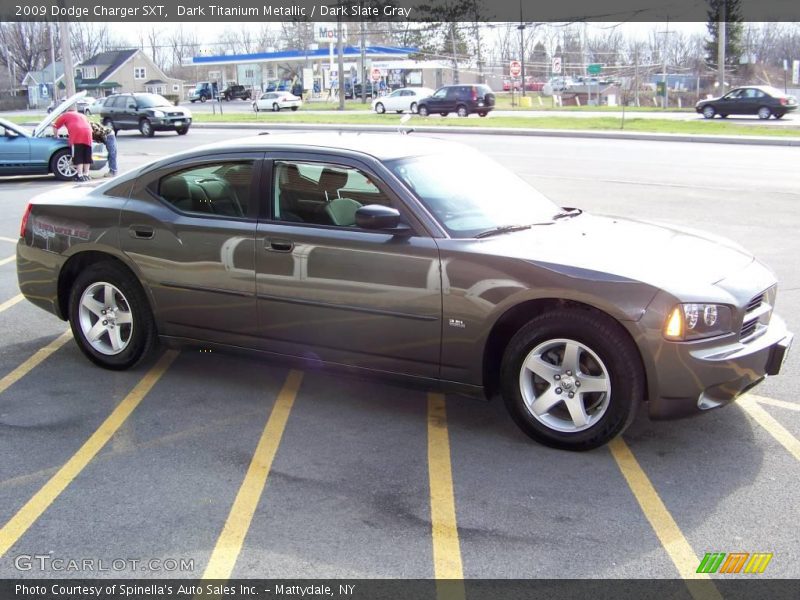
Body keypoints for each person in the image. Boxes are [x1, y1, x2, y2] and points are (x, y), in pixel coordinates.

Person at [52, 107, 93, 181]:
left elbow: (55, 126)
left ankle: (80, 175)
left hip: (77, 135)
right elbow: (89, 125)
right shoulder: (82, 115)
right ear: (75, 110)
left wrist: (56, 136)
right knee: (87, 155)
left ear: (67, 110)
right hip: (88, 134)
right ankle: (86, 175)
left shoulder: (65, 115)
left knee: (78, 155)